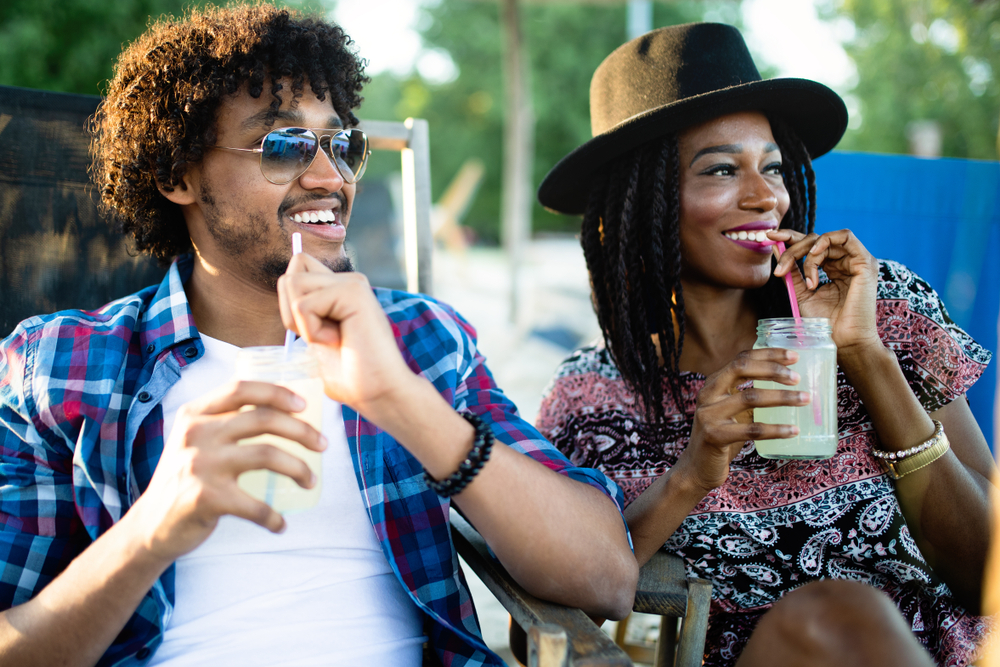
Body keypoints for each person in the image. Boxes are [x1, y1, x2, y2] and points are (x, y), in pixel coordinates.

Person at [0, 5, 639, 666]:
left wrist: (402, 400)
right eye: (283, 146)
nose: (331, 178)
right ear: (178, 175)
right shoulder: (60, 367)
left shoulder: (421, 339)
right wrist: (151, 530)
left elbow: (607, 577)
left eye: (341, 145)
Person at [534, 22, 995, 667]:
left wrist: (864, 357)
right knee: (835, 613)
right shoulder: (591, 399)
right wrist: (691, 474)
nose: (767, 198)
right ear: (642, 203)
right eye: (722, 169)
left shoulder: (877, 306)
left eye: (773, 167)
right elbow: (553, 614)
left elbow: (986, 578)